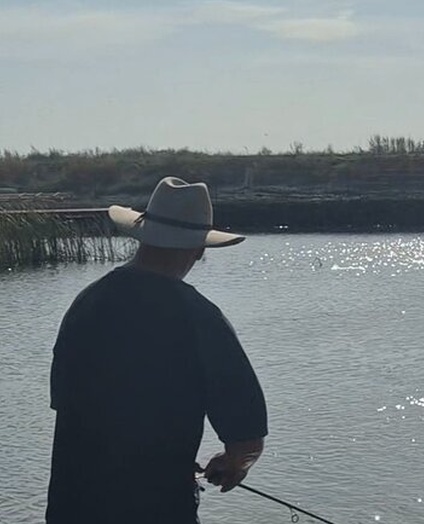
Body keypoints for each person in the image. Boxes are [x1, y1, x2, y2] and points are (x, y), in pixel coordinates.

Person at [46, 177, 268, 523]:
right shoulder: (199, 317)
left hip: (72, 507)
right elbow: (247, 440)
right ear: (199, 249)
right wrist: (233, 465)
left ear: (142, 236)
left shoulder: (85, 305)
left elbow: (69, 404)